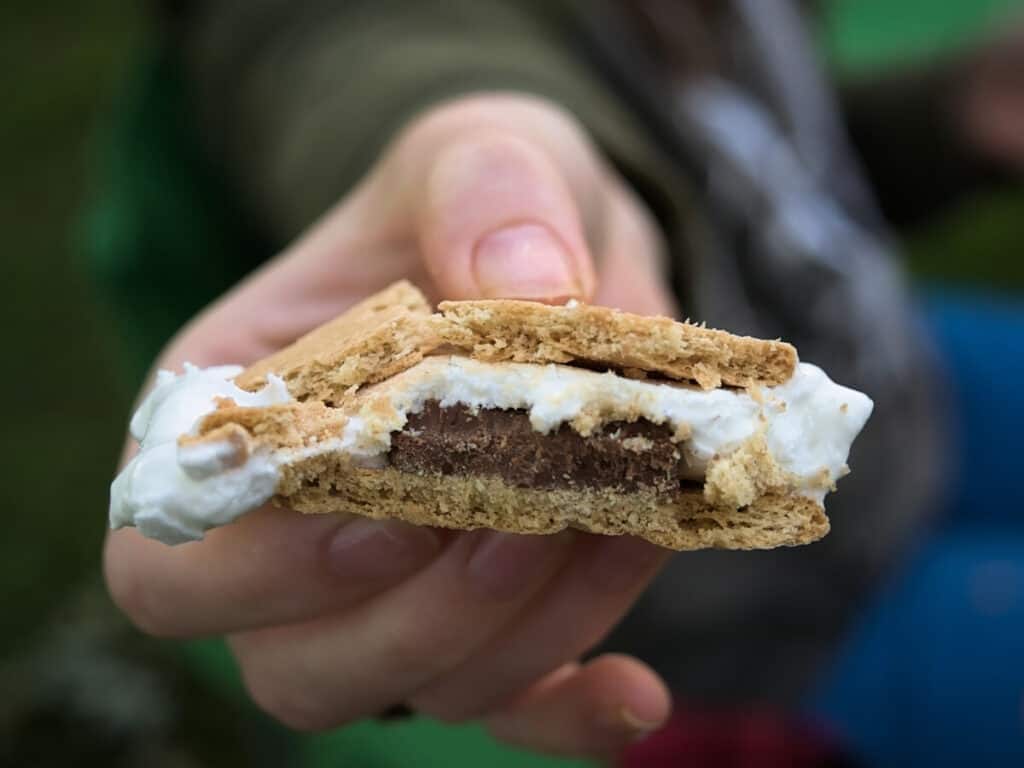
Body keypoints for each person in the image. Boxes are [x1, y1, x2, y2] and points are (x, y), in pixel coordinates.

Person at [94, 0, 1022, 763]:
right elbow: (357, 45)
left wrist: (947, 115)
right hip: (784, 617)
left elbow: (756, 163)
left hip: (893, 364)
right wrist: (483, 135)